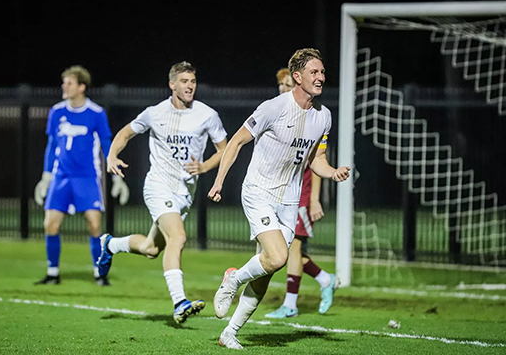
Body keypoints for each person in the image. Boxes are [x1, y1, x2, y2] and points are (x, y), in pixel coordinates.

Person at [208, 49, 350, 349]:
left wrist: (333, 172)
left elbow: (316, 159)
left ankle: (229, 333)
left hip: (289, 201)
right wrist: (219, 181)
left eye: (323, 72)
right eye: (315, 72)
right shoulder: (273, 108)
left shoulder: (324, 117)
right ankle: (232, 280)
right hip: (259, 191)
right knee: (277, 257)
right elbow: (235, 142)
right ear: (297, 77)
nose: (321, 77)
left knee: (268, 269)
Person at [97, 61, 228, 324]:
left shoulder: (207, 115)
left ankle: (110, 244)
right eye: (184, 81)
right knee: (177, 238)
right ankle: (180, 302)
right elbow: (125, 133)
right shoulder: (155, 113)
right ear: (172, 84)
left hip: (184, 193)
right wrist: (112, 156)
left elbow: (225, 150)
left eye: (192, 81)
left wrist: (204, 166)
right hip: (158, 186)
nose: (190, 86)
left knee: (150, 249)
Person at [33, 65, 129, 286]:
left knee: (95, 225)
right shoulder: (57, 111)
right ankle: (52, 273)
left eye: (69, 83)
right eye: (64, 82)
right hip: (61, 176)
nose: (64, 87)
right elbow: (51, 145)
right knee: (51, 224)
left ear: (81, 86)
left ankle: (99, 273)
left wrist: (116, 177)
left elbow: (107, 144)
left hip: (87, 177)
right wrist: (46, 177)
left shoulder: (95, 113)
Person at [265, 68, 336, 319]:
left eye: (288, 84)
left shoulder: (311, 116)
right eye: (281, 85)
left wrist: (314, 199)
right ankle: (326, 279)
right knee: (283, 249)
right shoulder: (279, 113)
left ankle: (291, 304)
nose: (284, 89)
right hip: (279, 193)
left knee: (292, 249)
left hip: (301, 194)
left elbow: (316, 161)